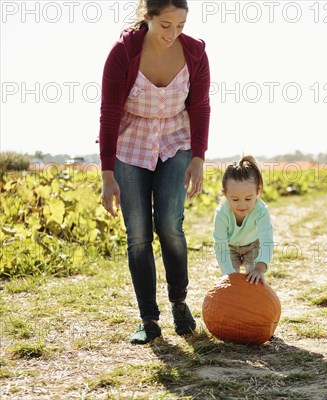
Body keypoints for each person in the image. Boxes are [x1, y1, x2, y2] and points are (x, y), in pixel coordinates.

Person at [98, 0, 211, 344]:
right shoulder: (123, 53)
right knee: (138, 234)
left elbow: (201, 106)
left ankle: (179, 303)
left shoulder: (195, 53)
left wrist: (199, 157)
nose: (172, 33)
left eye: (180, 25)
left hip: (176, 144)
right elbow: (109, 113)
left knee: (169, 225)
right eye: (165, 25)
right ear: (147, 17)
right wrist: (107, 175)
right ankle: (148, 318)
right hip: (130, 146)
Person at [213, 156, 274, 285]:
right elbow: (220, 246)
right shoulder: (222, 214)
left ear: (257, 192)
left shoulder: (261, 210)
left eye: (248, 199)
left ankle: (255, 299)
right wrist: (229, 275)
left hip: (253, 245)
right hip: (230, 247)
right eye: (235, 199)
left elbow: (266, 241)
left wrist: (260, 268)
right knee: (232, 278)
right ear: (225, 194)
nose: (242, 205)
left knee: (253, 275)